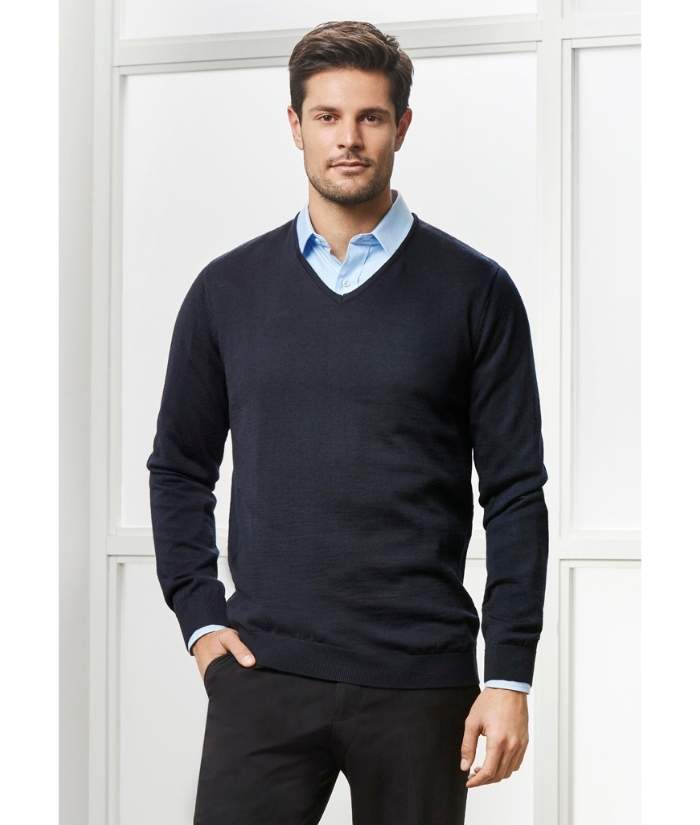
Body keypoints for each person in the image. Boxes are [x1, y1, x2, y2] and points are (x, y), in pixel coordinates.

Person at [146, 19, 549, 825]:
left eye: (370, 117)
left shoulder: (476, 291)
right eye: (327, 116)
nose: (349, 139)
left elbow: (514, 493)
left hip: (420, 682)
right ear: (295, 126)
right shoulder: (227, 290)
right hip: (263, 673)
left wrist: (508, 675)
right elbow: (180, 467)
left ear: (403, 126)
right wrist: (200, 617)